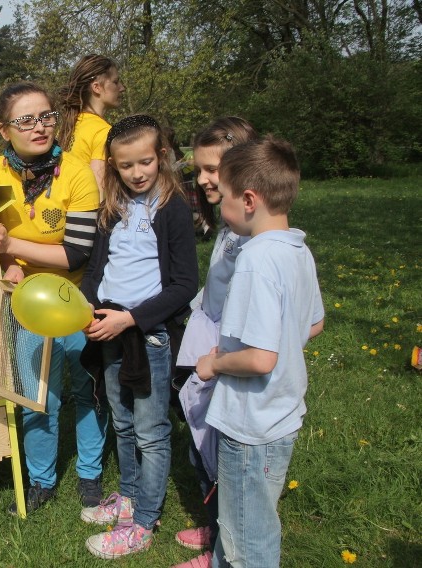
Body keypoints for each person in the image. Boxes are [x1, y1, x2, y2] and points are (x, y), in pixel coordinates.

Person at [196, 137, 324, 568]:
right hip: (281, 413)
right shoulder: (297, 248)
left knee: (248, 542)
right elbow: (315, 323)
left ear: (248, 199)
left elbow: (258, 358)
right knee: (243, 523)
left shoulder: (255, 259)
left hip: (251, 426)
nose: (221, 205)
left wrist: (215, 362)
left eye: (226, 196)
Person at [0, 82, 107, 513]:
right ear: (4, 130)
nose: (40, 127)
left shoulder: (77, 173)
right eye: (27, 120)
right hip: (26, 303)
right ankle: (41, 480)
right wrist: (4, 265)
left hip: (79, 298)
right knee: (38, 395)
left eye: (47, 116)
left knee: (88, 390)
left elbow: (77, 251)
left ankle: (90, 474)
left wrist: (11, 248)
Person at [79, 115, 198, 559]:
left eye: (144, 162)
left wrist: (130, 321)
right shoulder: (113, 207)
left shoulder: (173, 210)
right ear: (113, 166)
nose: (136, 173)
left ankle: (145, 520)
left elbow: (184, 285)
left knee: (150, 430)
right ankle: (128, 498)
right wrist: (87, 308)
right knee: (123, 422)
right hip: (108, 328)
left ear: (161, 156)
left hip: (147, 336)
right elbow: (96, 271)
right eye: (125, 165)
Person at [170, 117, 259, 568]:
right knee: (203, 449)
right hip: (212, 358)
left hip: (232, 367)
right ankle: (219, 529)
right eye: (199, 169)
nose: (202, 179)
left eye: (212, 169)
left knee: (231, 462)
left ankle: (228, 551)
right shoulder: (229, 226)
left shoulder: (260, 243)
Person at [58, 54, 125, 194]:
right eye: (115, 82)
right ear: (96, 87)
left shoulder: (68, 127)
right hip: (85, 212)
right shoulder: (103, 132)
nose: (122, 88)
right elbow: (97, 192)